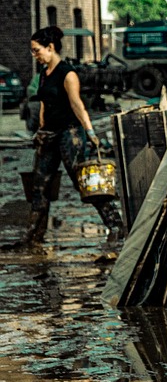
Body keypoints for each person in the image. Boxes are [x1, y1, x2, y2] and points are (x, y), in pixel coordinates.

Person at [22, 27, 123, 248]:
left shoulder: (68, 74)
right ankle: (33, 237)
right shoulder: (43, 75)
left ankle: (116, 226)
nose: (34, 55)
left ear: (50, 48)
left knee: (85, 182)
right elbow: (43, 104)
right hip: (49, 135)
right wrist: (40, 130)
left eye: (36, 50)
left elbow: (77, 105)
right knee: (39, 186)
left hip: (70, 134)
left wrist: (91, 133)